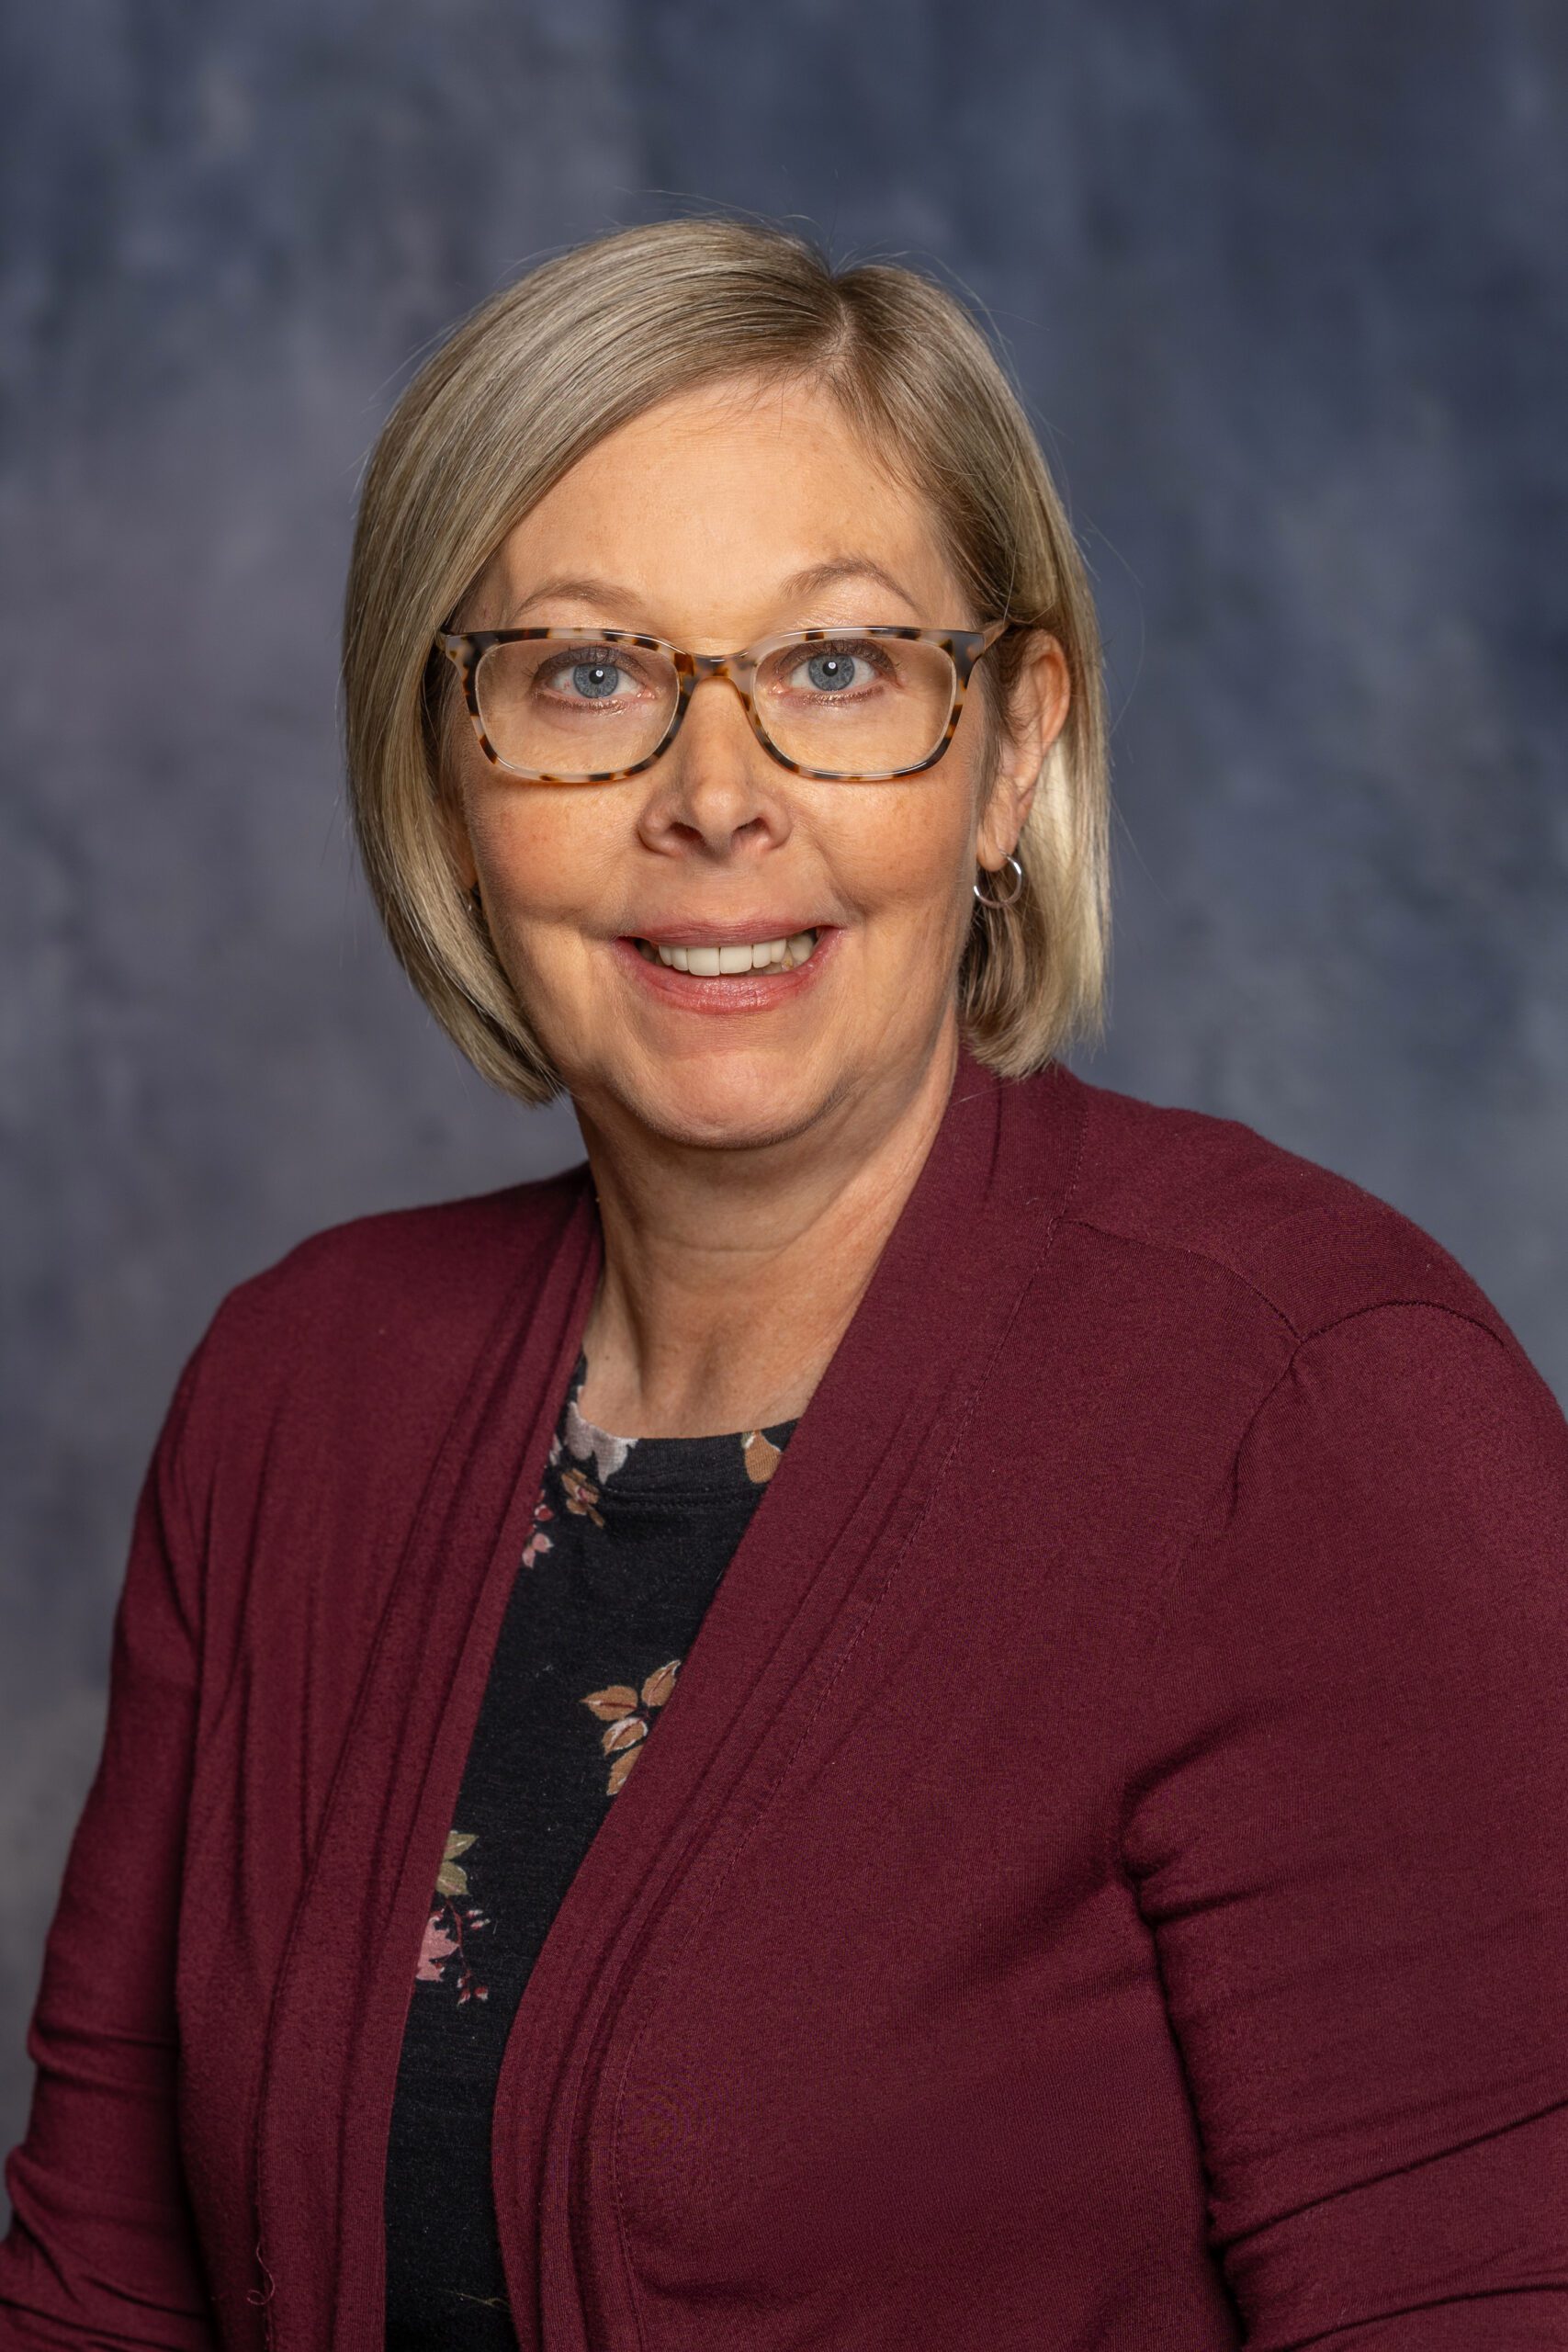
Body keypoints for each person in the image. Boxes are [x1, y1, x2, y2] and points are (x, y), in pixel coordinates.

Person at [2, 215, 1565, 2352]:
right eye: (586, 675)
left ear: (1009, 749)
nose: (715, 799)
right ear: (449, 773)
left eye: (834, 667)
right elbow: (102, 2292)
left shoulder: (1307, 1410)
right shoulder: (297, 1398)